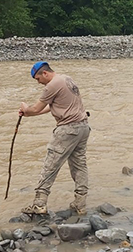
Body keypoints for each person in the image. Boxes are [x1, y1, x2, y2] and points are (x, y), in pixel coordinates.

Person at [18, 61, 90, 215]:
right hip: (83, 127)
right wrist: (30, 113)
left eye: (38, 79)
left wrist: (26, 109)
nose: (39, 83)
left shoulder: (51, 85)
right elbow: (53, 106)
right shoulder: (66, 79)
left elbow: (36, 108)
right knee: (79, 165)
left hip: (67, 129)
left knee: (50, 165)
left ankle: (39, 204)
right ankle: (80, 203)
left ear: (45, 73)